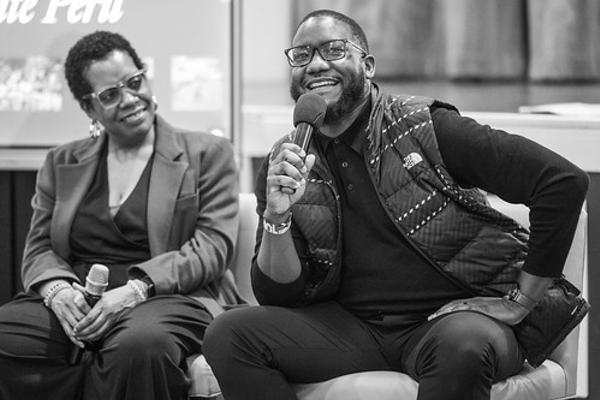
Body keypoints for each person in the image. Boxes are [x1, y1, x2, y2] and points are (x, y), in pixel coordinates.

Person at [203, 9, 589, 400]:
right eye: (302, 55)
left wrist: (520, 302)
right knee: (229, 335)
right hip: (351, 329)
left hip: (451, 320)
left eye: (333, 50)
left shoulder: (426, 127)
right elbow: (278, 294)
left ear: (368, 65)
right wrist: (278, 215)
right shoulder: (287, 160)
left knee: (464, 345)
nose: (316, 64)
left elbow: (561, 181)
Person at [0, 31, 241, 400]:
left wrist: (135, 290)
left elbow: (212, 247)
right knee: (7, 335)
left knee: (138, 347)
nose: (130, 99)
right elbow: (39, 248)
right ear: (89, 108)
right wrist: (57, 291)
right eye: (110, 95)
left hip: (169, 296)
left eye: (134, 82)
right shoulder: (61, 161)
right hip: (80, 299)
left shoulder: (207, 153)